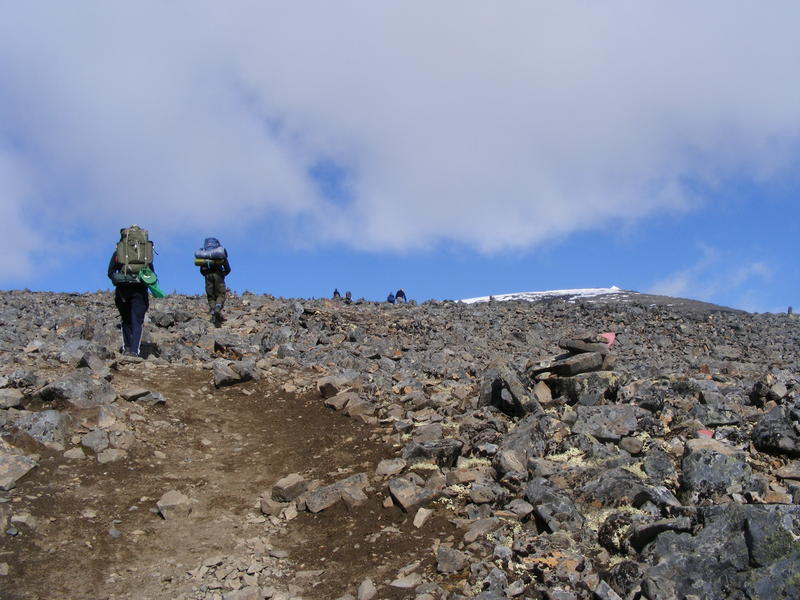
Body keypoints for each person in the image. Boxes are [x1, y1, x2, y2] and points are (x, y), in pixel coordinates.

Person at [108, 225, 155, 357]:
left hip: (122, 291)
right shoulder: (145, 254)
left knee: (126, 319)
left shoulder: (119, 253)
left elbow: (110, 272)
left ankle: (127, 347)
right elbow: (151, 273)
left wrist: (120, 279)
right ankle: (135, 351)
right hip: (140, 291)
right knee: (137, 321)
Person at [196, 238, 231, 325]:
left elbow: (202, 271)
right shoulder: (219, 255)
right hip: (219, 275)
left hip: (208, 276)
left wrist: (206, 274)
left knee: (211, 296)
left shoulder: (204, 255)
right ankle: (218, 308)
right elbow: (228, 269)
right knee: (220, 294)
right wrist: (223, 274)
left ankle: (213, 312)